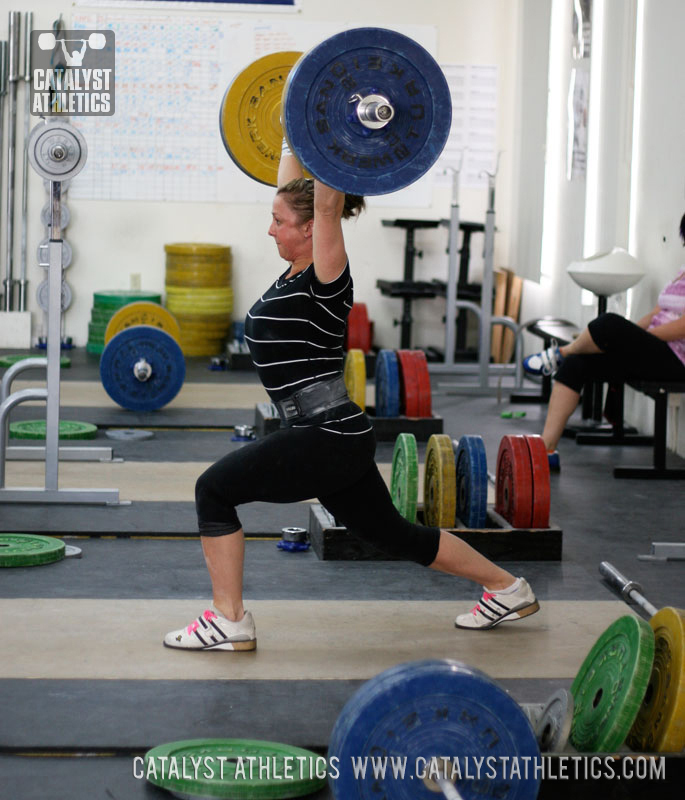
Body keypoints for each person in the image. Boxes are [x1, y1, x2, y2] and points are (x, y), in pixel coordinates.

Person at [164, 142, 539, 651]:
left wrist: (333, 131)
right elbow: (292, 190)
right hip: (334, 434)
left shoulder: (326, 277)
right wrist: (293, 136)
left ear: (311, 231)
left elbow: (323, 204)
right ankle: (507, 587)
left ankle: (229, 620)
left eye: (278, 222)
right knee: (392, 534)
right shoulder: (294, 271)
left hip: (325, 435)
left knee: (213, 490)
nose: (270, 228)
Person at [523, 216, 685, 469]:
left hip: (675, 360)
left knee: (609, 323)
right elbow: (656, 313)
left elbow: (683, 327)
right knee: (578, 365)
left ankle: (561, 352)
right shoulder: (680, 276)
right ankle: (546, 449)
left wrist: (637, 339)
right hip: (654, 350)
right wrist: (633, 335)